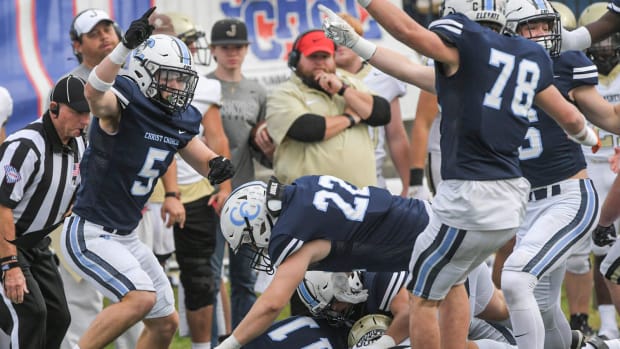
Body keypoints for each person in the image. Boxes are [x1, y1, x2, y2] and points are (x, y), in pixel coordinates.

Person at [319, 0, 601, 348]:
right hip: (514, 198)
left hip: (471, 197)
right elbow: (572, 119)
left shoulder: (467, 49)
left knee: (423, 297)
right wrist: (588, 136)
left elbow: (410, 33)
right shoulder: (524, 58)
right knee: (456, 279)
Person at [59, 8, 234, 349]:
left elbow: (196, 153)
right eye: (169, 77)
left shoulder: (177, 116)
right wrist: (122, 48)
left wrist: (216, 166)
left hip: (125, 233)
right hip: (91, 230)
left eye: (181, 78)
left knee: (165, 322)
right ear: (144, 72)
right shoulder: (126, 98)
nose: (178, 86)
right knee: (140, 298)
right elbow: (95, 95)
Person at [214, 174, 430, 349]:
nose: (256, 249)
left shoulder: (288, 231)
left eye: (250, 242)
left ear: (259, 223)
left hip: (419, 239)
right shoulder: (304, 187)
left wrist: (230, 343)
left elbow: (272, 304)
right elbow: (336, 239)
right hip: (418, 220)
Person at [57, 9, 147, 349]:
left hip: (129, 203)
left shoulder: (137, 75)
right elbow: (63, 149)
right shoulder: (70, 88)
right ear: (77, 45)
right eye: (94, 33)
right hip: (84, 206)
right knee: (81, 299)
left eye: (108, 28)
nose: (105, 36)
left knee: (138, 291)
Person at [151, 11, 233, 349]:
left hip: (196, 193)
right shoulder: (131, 85)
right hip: (147, 196)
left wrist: (225, 187)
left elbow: (216, 137)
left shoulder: (203, 85)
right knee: (145, 282)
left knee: (200, 277)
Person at [0, 75, 90, 348]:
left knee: (58, 316)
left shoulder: (79, 144)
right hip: (7, 246)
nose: (85, 121)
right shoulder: (24, 146)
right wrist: (9, 265)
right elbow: (2, 207)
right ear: (54, 108)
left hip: (36, 245)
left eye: (88, 113)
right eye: (77, 112)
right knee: (29, 315)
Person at [206, 18, 274, 338]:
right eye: (225, 47)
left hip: (245, 194)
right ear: (214, 50)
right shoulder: (203, 86)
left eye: (238, 47)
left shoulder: (257, 91)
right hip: (207, 193)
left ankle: (243, 340)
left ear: (247, 50)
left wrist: (267, 146)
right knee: (209, 274)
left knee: (244, 278)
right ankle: (213, 339)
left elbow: (263, 151)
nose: (232, 53)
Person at [265, 29, 391, 187]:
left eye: (325, 56)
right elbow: (307, 129)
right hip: (306, 201)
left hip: (360, 199)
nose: (320, 62)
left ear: (333, 59)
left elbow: (382, 113)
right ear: (295, 60)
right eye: (312, 57)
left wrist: (343, 90)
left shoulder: (350, 84)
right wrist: (350, 118)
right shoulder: (284, 93)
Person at [334, 14, 411, 196]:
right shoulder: (318, 77)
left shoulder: (382, 76)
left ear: (358, 38)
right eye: (332, 38)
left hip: (372, 181)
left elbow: (396, 136)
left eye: (344, 35)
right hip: (331, 179)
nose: (338, 43)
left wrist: (409, 186)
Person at [580, 1, 620, 340]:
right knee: (601, 253)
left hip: (615, 167)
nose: (604, 47)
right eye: (599, 40)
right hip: (593, 167)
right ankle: (607, 325)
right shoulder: (577, 72)